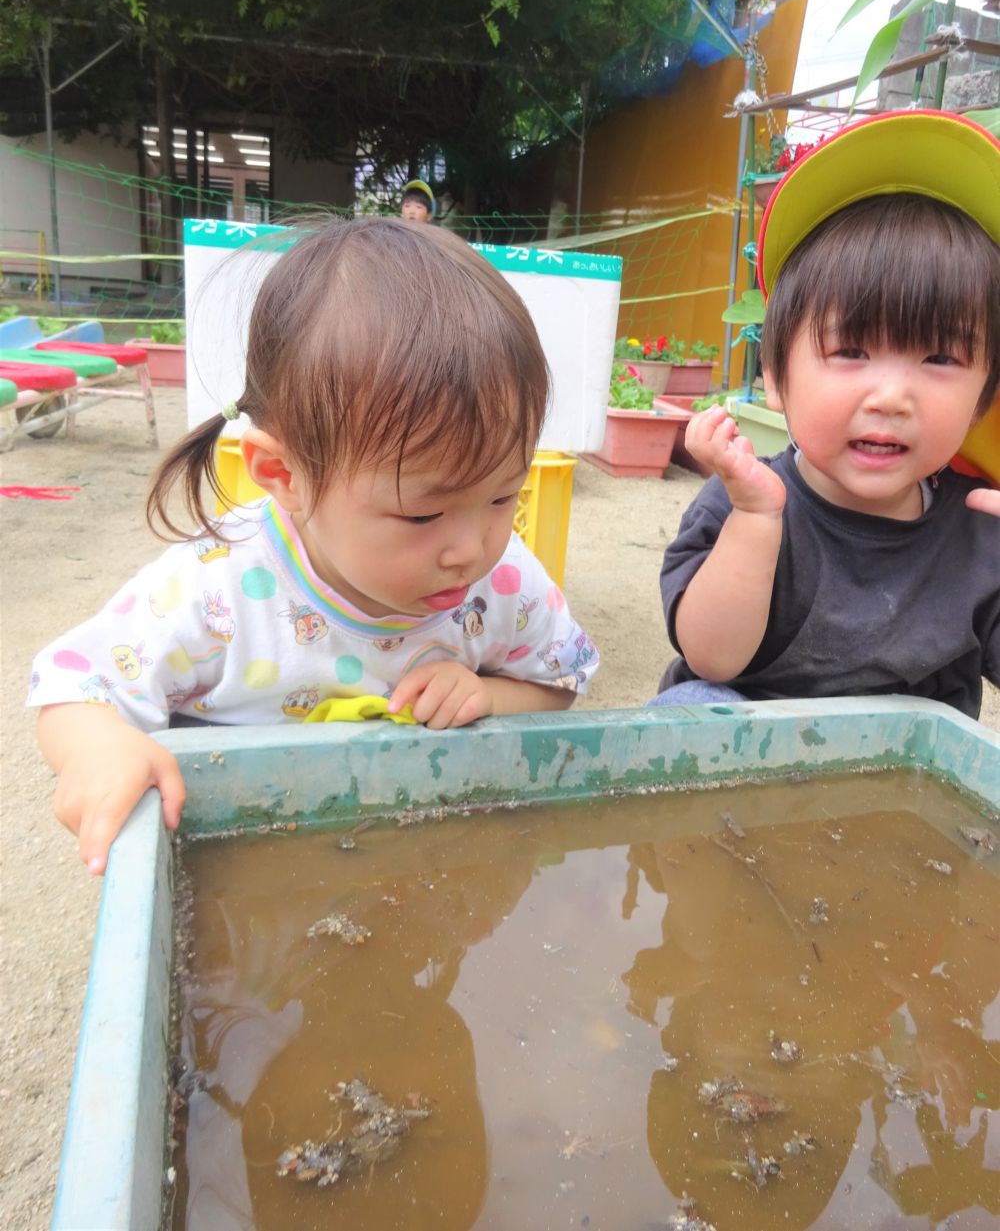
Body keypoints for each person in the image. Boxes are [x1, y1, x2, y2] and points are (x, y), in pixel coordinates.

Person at [29, 217, 598, 874]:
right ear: (283, 476)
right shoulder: (220, 589)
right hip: (253, 865)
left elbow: (560, 677)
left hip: (412, 868)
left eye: (505, 496)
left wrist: (488, 694)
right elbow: (73, 683)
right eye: (422, 514)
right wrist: (98, 749)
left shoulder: (499, 583)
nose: (471, 548)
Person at [652, 111, 1000, 715]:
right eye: (851, 351)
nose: (891, 396)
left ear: (986, 396)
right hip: (740, 771)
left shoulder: (980, 534)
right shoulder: (741, 500)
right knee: (689, 708)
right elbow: (710, 658)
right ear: (776, 377)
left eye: (940, 356)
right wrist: (757, 519)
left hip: (895, 788)